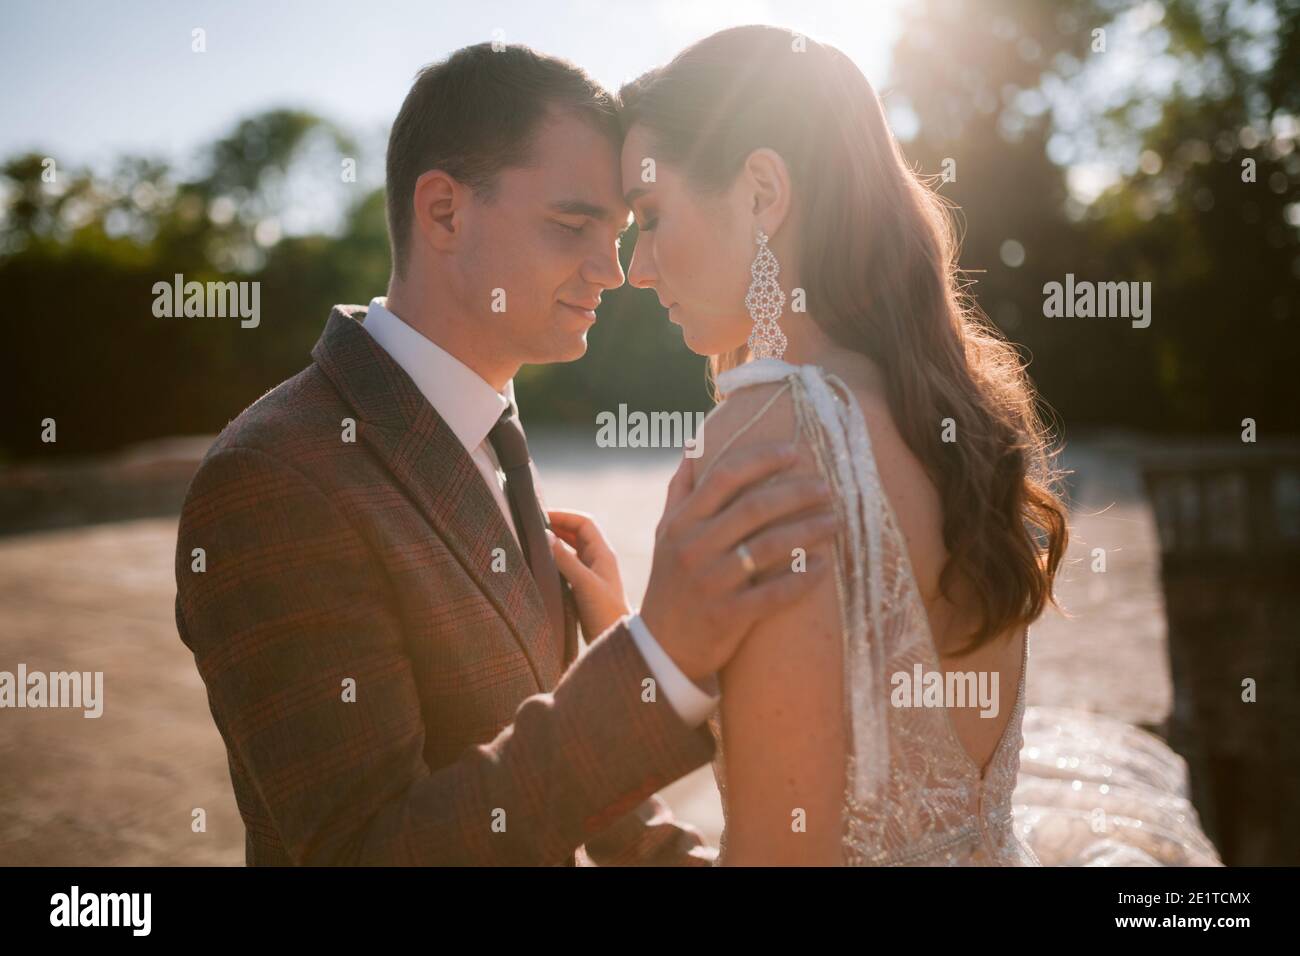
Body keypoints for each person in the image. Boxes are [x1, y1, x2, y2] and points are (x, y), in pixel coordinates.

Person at [173, 42, 836, 866]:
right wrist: (658, 658)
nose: (615, 269)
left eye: (625, 230)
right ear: (444, 212)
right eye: (572, 225)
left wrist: (624, 658)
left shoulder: (489, 440)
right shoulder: (275, 479)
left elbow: (560, 798)